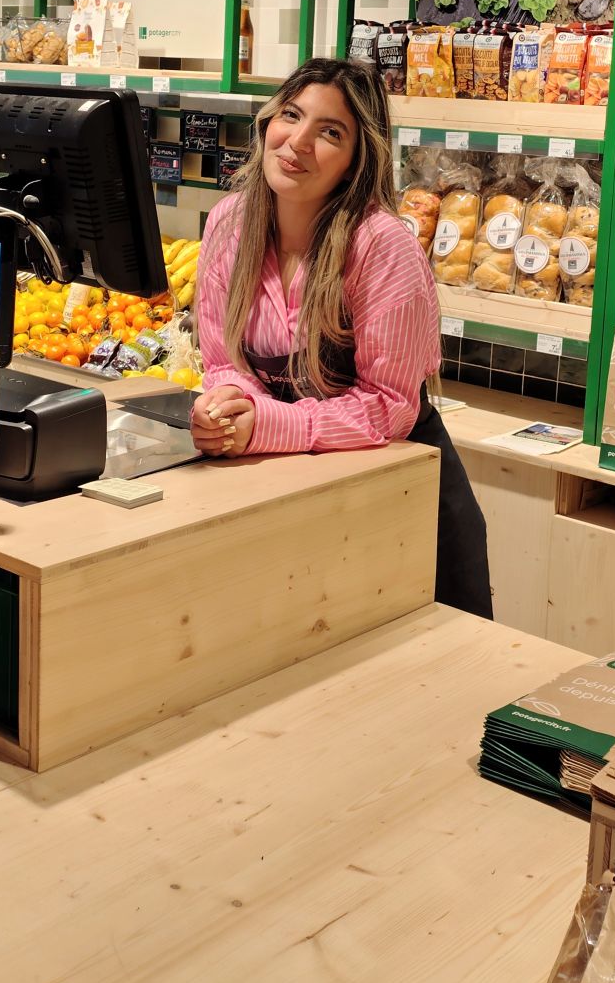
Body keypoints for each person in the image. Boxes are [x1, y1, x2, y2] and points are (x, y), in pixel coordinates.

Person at [192, 56, 493, 619]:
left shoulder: (382, 247)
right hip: (298, 485)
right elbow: (223, 360)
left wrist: (271, 427)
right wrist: (226, 412)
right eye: (290, 116)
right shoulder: (229, 224)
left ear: (357, 161)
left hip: (400, 498)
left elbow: (391, 405)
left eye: (330, 132)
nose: (298, 142)